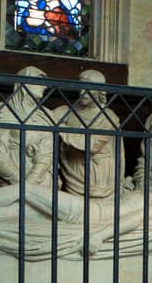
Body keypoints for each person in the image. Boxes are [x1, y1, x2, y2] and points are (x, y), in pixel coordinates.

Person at [0, 66, 57, 191]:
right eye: (39, 82)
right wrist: (19, 181)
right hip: (11, 177)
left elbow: (48, 153)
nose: (44, 87)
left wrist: (31, 181)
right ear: (24, 84)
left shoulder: (46, 115)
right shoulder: (3, 112)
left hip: (43, 179)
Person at [49, 69, 119, 198]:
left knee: (97, 210)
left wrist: (63, 130)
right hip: (73, 169)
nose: (82, 93)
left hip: (97, 173)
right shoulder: (68, 112)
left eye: (87, 90)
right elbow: (46, 118)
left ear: (100, 91)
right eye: (80, 88)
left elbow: (94, 145)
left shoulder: (108, 117)